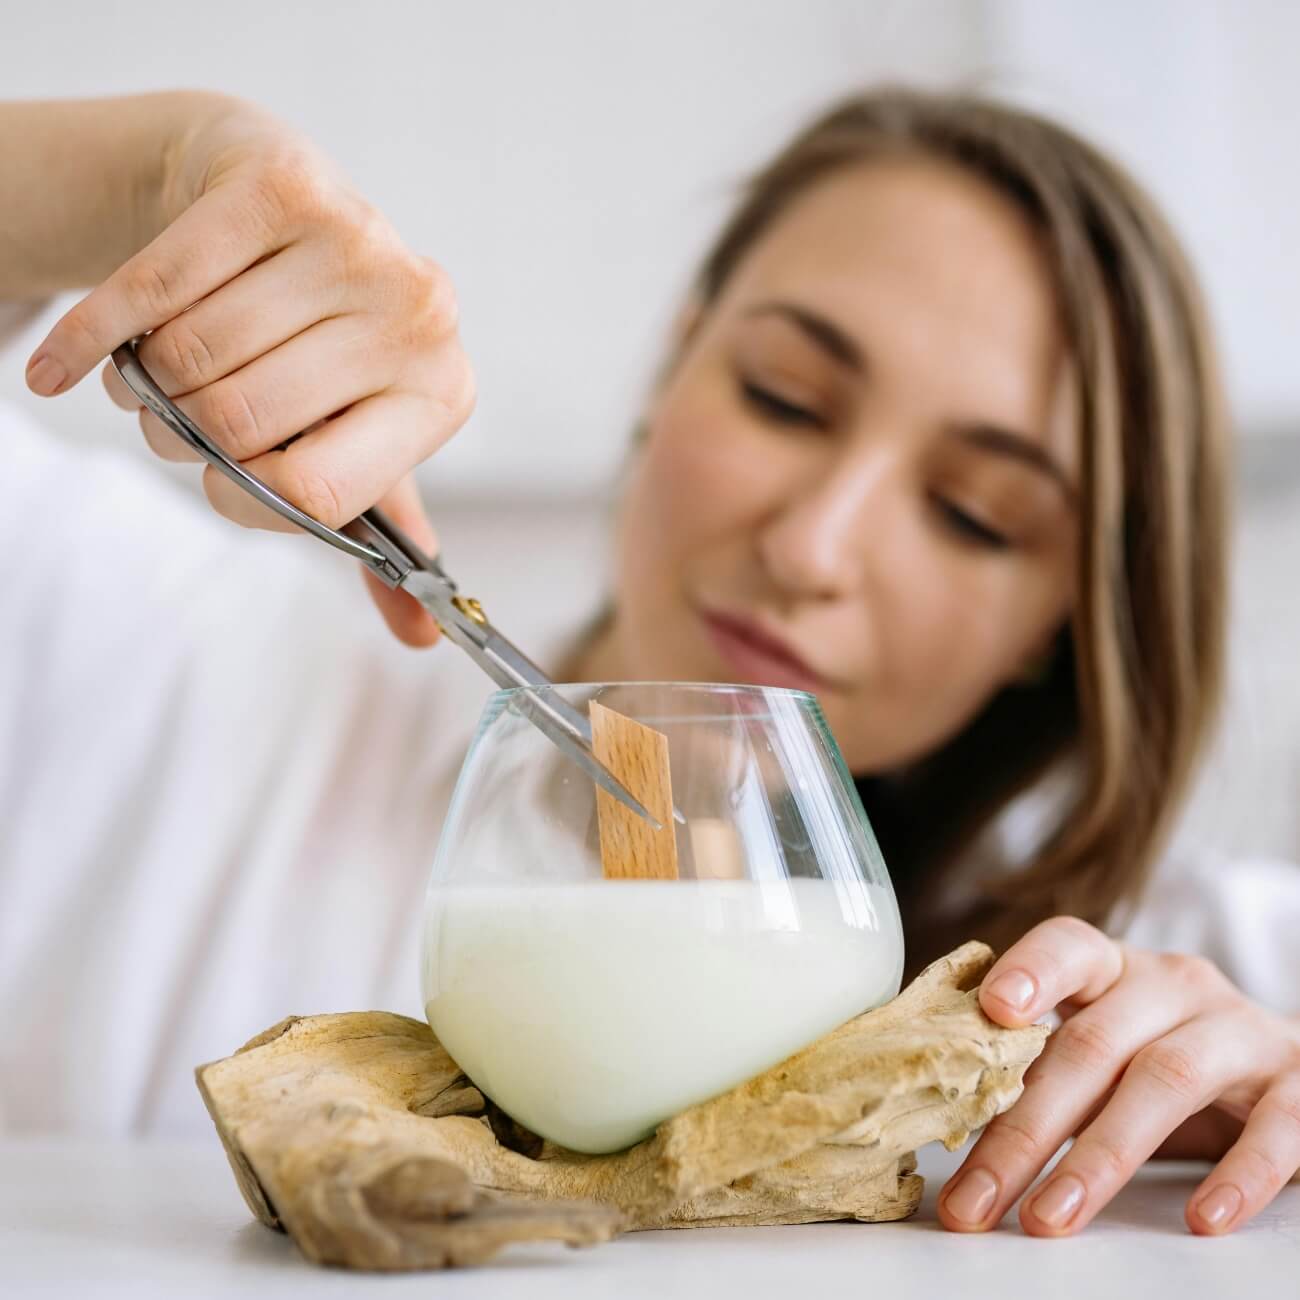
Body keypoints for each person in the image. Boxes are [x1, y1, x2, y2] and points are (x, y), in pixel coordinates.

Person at [1, 88, 1296, 1238]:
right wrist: (141, 180)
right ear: (671, 368)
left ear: (1059, 628)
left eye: (976, 514)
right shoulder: (162, 659)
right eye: (784, 398)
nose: (813, 545)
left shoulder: (1115, 995)